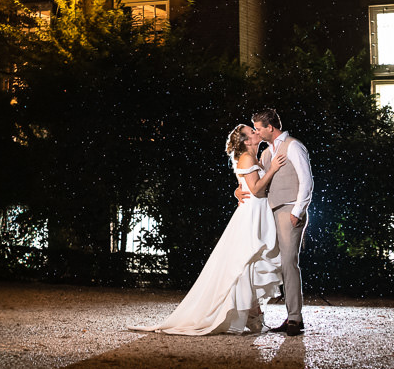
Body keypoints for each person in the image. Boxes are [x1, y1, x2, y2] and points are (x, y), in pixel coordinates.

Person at [132, 123, 286, 335]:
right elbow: (258, 190)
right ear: (246, 141)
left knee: (250, 263)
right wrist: (273, 170)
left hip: (256, 213)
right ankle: (249, 314)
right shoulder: (248, 158)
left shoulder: (255, 158)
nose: (256, 132)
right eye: (252, 132)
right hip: (251, 215)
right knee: (245, 262)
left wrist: (238, 190)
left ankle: (252, 314)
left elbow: (247, 185)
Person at [249, 107, 313, 336]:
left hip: (289, 210)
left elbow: (306, 181)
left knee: (288, 262)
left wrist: (297, 211)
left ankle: (295, 318)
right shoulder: (267, 153)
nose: (257, 132)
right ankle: (264, 312)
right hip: (271, 212)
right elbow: (257, 183)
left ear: (270, 127)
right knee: (267, 260)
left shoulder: (293, 146)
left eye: (259, 128)